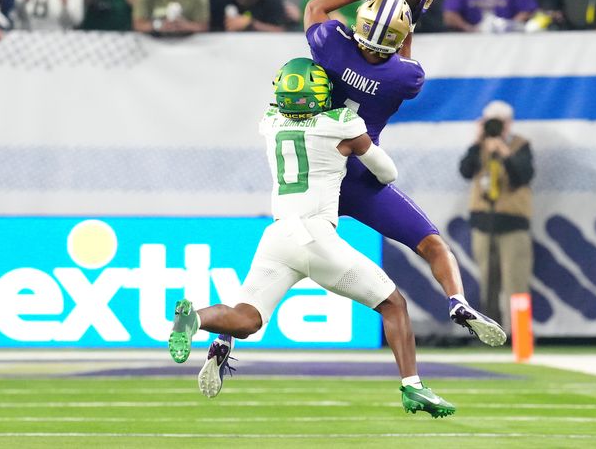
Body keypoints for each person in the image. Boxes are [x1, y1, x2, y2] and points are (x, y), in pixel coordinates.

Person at [172, 57, 456, 418]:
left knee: (247, 320)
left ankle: (194, 318)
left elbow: (285, 106)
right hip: (316, 235)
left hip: (277, 236)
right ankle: (413, 386)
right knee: (393, 304)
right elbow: (388, 173)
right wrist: (356, 140)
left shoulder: (269, 123)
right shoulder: (342, 125)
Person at [302, 0, 506, 346]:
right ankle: (458, 301)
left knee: (286, 260)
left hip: (318, 177)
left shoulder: (332, 44)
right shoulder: (404, 78)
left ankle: (227, 336)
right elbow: (403, 60)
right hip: (363, 179)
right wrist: (407, 20)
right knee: (432, 245)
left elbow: (316, 6)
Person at [458, 101, 534, 328]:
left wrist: (505, 153)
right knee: (486, 282)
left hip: (513, 223)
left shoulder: (520, 145)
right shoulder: (478, 147)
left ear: (509, 124)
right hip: (484, 221)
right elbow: (465, 171)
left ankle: (518, 335)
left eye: (499, 122)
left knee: (516, 283)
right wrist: (476, 140)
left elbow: (523, 176)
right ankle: (490, 332)